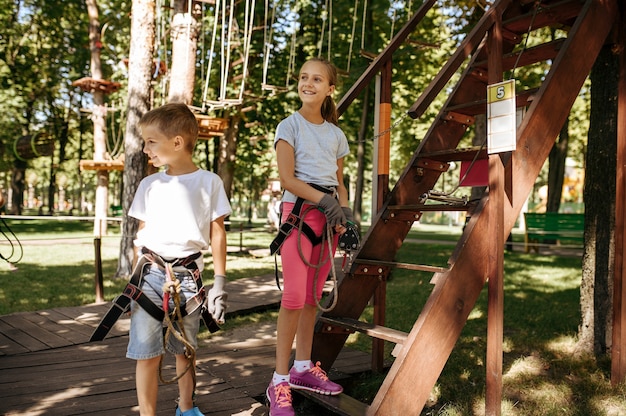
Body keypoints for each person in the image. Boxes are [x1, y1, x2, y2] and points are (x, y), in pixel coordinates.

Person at [127, 103, 232, 416]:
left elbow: (217, 234)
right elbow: (141, 235)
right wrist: (135, 277)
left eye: (151, 142)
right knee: (146, 353)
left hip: (189, 277)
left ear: (177, 142)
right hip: (149, 276)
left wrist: (220, 284)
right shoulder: (149, 185)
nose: (145, 149)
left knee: (185, 350)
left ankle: (186, 408)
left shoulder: (209, 182)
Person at [266, 58, 352, 416]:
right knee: (294, 297)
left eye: (317, 79)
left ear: (331, 88)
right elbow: (287, 179)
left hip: (328, 220)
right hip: (299, 217)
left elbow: (339, 181)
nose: (308, 83)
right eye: (304, 77)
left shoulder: (336, 134)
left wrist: (343, 213)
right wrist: (326, 202)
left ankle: (303, 368)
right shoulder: (290, 126)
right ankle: (278, 381)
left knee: (314, 297)